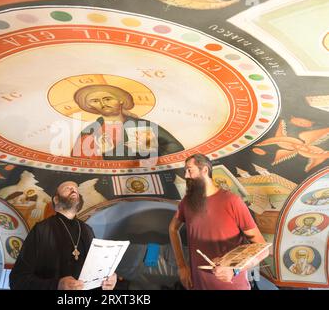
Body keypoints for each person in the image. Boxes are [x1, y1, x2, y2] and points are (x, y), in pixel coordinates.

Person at [169, 153, 267, 290]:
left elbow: (262, 248)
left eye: (189, 170)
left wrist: (235, 270)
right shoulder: (187, 202)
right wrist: (181, 266)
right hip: (198, 285)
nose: (186, 176)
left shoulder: (232, 201)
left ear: (204, 170)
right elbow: (173, 229)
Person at [9, 181, 117, 290]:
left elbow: (95, 272)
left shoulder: (87, 230)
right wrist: (57, 285)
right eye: (67, 188)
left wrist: (106, 281)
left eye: (76, 189)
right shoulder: (42, 229)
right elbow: (17, 280)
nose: (73, 190)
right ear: (56, 200)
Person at [71, 84, 184, 160]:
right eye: (95, 101)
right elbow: (78, 162)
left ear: (121, 100)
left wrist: (151, 151)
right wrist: (103, 153)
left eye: (107, 99)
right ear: (91, 106)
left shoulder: (142, 125)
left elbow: (175, 147)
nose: (102, 104)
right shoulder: (90, 131)